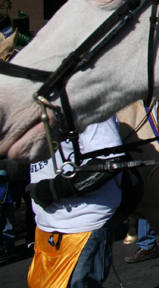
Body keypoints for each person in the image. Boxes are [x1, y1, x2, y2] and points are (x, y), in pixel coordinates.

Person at [26, 116, 127, 288]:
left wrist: (52, 189)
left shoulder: (89, 101)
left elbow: (109, 162)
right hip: (47, 225)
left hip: (83, 224)